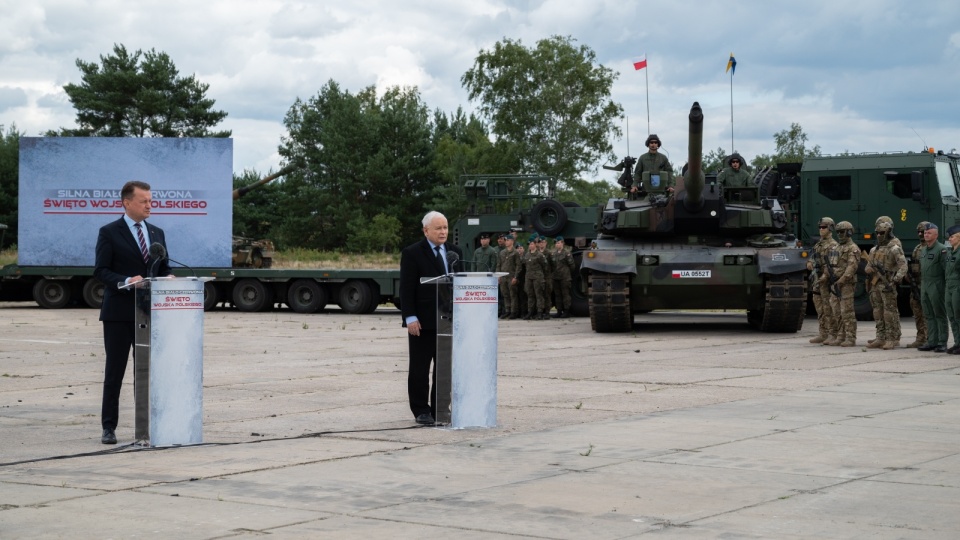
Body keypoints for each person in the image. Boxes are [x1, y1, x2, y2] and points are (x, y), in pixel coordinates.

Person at [93, 180, 171, 444]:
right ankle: (108, 427)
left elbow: (162, 269)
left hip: (149, 314)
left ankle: (147, 425)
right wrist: (126, 281)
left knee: (146, 372)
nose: (150, 205)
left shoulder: (157, 233)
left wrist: (171, 278)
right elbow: (100, 271)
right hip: (118, 313)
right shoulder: (109, 232)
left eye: (150, 200)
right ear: (127, 203)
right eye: (144, 201)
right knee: (115, 371)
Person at [399, 210, 463, 425]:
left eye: (445, 227)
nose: (443, 232)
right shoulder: (412, 253)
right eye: (438, 228)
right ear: (426, 231)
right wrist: (410, 317)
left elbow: (461, 285)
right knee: (419, 368)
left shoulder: (455, 252)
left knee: (444, 368)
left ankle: (440, 408)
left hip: (448, 320)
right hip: (423, 321)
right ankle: (421, 410)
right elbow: (406, 289)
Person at [864, 220, 907, 350]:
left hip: (888, 284)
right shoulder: (873, 250)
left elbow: (903, 266)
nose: (878, 235)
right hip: (875, 284)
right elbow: (867, 267)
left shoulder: (894, 249)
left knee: (890, 313)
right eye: (877, 233)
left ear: (888, 233)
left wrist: (895, 280)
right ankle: (880, 337)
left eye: (881, 233)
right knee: (877, 312)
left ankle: (892, 338)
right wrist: (869, 270)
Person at [824, 221, 860, 347]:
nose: (839, 234)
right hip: (835, 283)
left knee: (847, 311)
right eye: (838, 232)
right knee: (836, 310)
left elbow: (852, 267)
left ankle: (850, 337)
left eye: (842, 232)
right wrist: (826, 276)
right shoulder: (836, 248)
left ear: (849, 232)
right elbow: (831, 265)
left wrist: (842, 280)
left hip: (846, 284)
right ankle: (840, 335)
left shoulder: (853, 248)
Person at [918, 223, 948, 352]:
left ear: (936, 235)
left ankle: (942, 342)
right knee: (929, 314)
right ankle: (932, 341)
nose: (926, 234)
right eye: (925, 233)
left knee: (939, 314)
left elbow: (947, 270)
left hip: (937, 284)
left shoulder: (942, 250)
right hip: (925, 284)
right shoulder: (924, 250)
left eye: (929, 233)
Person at [808, 217, 838, 344]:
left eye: (824, 227)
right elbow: (812, 258)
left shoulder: (833, 246)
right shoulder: (818, 245)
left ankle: (833, 333)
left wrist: (824, 276)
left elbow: (832, 265)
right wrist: (809, 263)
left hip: (826, 281)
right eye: (820, 227)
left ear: (830, 228)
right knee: (819, 307)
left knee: (828, 308)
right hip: (817, 280)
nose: (821, 229)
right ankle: (823, 333)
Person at [904, 221, 929, 348]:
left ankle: (931, 338)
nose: (920, 234)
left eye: (923, 231)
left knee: (928, 314)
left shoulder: (933, 248)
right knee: (918, 314)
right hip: (916, 285)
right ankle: (920, 338)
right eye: (918, 232)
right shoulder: (917, 248)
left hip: (928, 286)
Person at [522, 237, 548, 320]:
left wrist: (541, 276)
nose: (530, 245)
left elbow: (545, 266)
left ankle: (540, 312)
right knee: (530, 295)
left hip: (538, 277)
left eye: (532, 244)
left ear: (535, 244)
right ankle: (530, 312)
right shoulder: (527, 254)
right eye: (529, 244)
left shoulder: (540, 255)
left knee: (538, 295)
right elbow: (524, 265)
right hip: (529, 277)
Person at [551, 236, 576, 318]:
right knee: (558, 295)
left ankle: (566, 311)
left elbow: (572, 266)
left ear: (562, 243)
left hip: (565, 278)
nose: (557, 244)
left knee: (565, 295)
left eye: (558, 243)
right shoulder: (553, 254)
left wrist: (566, 273)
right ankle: (559, 310)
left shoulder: (567, 253)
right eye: (556, 243)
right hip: (556, 277)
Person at [497, 234, 521, 320]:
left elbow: (518, 266)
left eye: (508, 240)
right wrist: (498, 275)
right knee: (505, 294)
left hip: (511, 276)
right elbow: (499, 264)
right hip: (503, 276)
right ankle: (507, 310)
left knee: (512, 295)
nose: (506, 242)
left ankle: (514, 311)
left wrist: (516, 277)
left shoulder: (515, 253)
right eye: (506, 240)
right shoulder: (502, 252)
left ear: (512, 241)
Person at [944, 225, 960, 354]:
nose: (950, 239)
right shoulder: (950, 252)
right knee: (952, 315)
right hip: (949, 286)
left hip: (958, 286)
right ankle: (957, 342)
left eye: (952, 236)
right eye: (949, 237)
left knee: (958, 314)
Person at [538, 236, 554, 315]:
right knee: (539, 294)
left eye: (543, 242)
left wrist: (549, 273)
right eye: (540, 242)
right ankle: (541, 310)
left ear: (546, 243)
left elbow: (554, 265)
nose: (541, 244)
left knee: (547, 294)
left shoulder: (549, 253)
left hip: (547, 276)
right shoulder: (536, 252)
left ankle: (547, 311)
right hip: (538, 276)